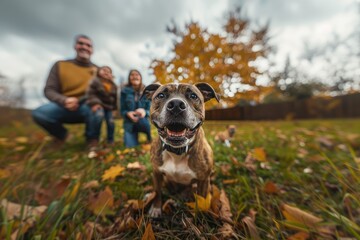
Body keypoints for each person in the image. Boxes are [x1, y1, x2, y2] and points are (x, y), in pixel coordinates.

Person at [32, 34, 102, 149]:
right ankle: (63, 136)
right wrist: (64, 100)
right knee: (39, 113)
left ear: (92, 50)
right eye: (81, 44)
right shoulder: (60, 65)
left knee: (98, 109)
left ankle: (92, 141)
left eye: (88, 45)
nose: (84, 47)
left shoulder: (99, 71)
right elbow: (49, 90)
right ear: (75, 46)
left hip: (87, 108)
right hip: (62, 107)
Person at [86, 66, 117, 146]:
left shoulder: (113, 85)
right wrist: (95, 103)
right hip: (99, 105)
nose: (106, 72)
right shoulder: (95, 81)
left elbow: (115, 98)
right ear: (99, 72)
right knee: (98, 116)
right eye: (104, 70)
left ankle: (110, 140)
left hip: (109, 107)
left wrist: (114, 109)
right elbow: (90, 93)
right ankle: (94, 139)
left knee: (111, 122)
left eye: (109, 71)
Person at [120, 69, 151, 147]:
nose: (134, 77)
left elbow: (151, 110)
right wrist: (127, 113)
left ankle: (148, 136)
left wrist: (144, 112)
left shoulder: (147, 92)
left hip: (142, 121)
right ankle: (133, 136)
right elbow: (122, 110)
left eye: (137, 75)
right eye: (132, 75)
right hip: (129, 123)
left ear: (140, 77)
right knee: (130, 146)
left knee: (144, 123)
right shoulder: (124, 91)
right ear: (129, 78)